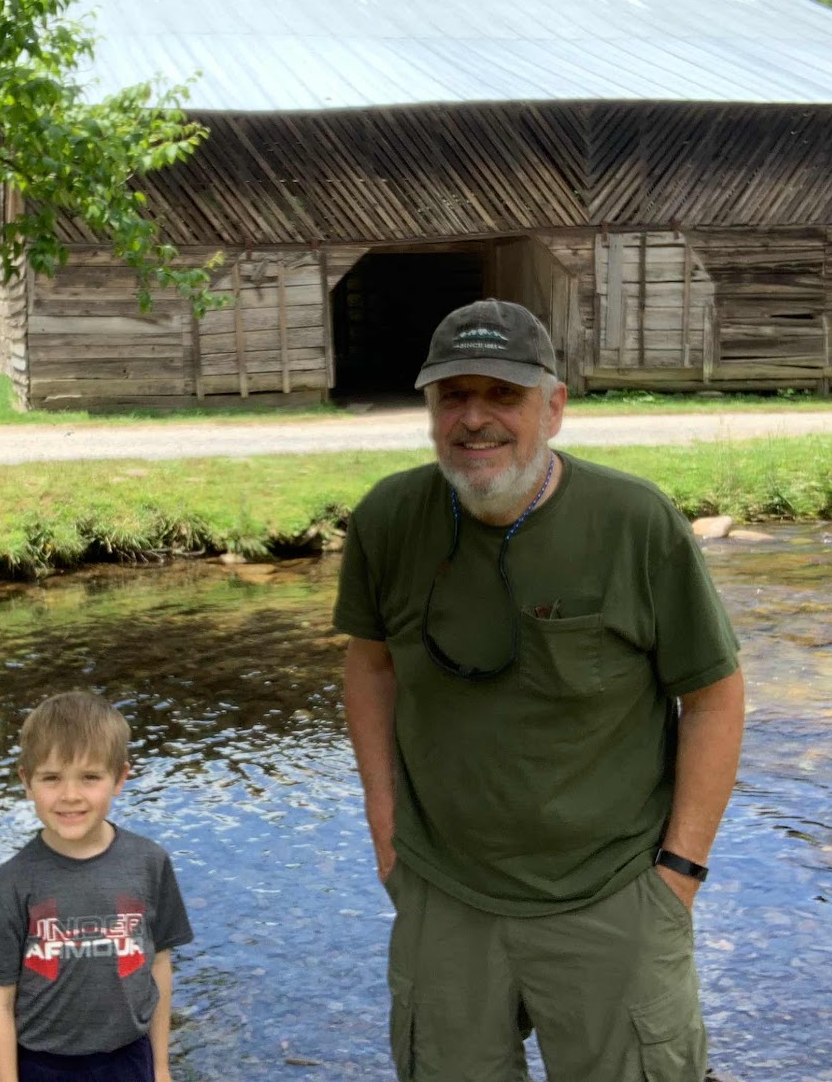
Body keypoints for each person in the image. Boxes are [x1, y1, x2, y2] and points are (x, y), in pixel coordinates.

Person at [334, 299, 746, 1082]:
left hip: (613, 894)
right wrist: (386, 831)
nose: (474, 418)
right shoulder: (389, 518)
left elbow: (715, 697)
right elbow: (371, 666)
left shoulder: (636, 522)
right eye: (454, 395)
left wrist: (679, 874)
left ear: (553, 408)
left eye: (504, 394)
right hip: (443, 897)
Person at [0, 691, 194, 1082]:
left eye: (90, 777)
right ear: (26, 781)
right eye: (51, 778)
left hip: (130, 1057)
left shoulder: (149, 864)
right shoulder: (10, 884)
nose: (70, 796)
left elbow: (159, 965)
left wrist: (160, 1067)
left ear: (119, 778)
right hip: (43, 1065)